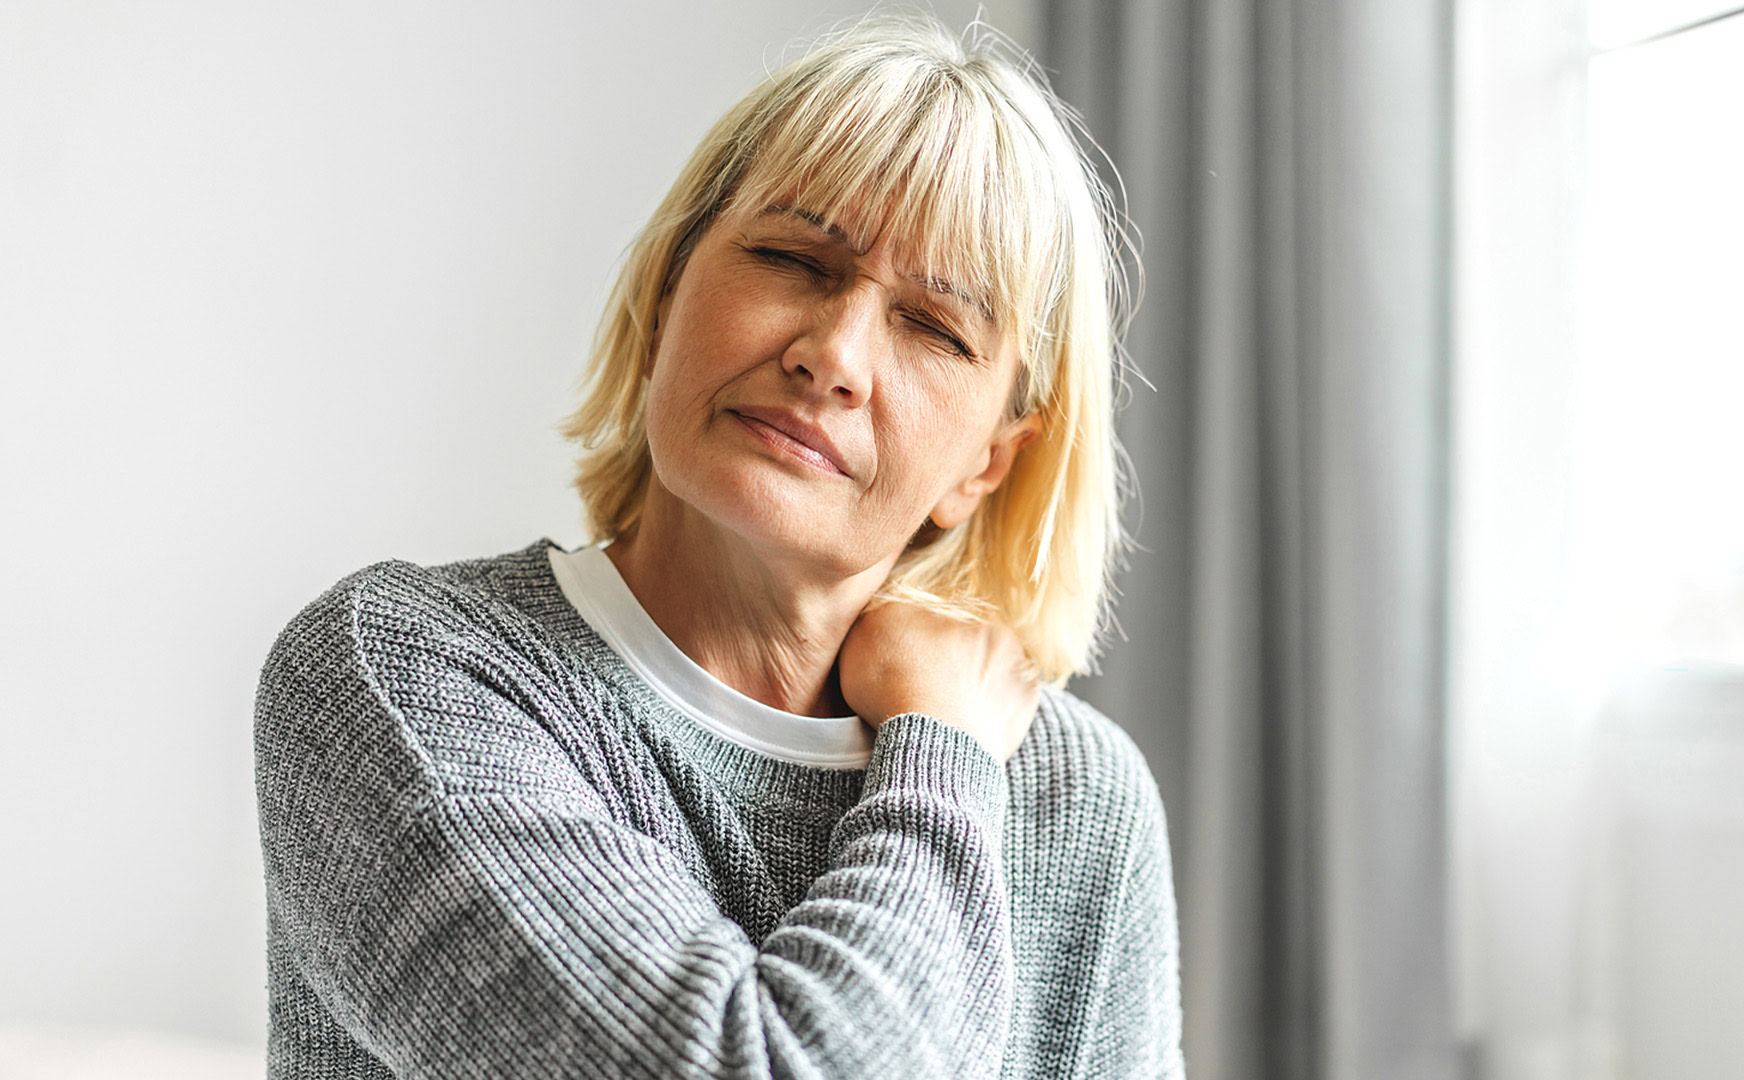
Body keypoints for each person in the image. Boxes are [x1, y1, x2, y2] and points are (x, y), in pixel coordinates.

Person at [253, 13, 1181, 1079]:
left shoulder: (1077, 798)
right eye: (793, 257)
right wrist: (942, 756)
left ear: (988, 465)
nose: (833, 355)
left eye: (933, 327)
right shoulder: (395, 675)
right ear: (663, 301)